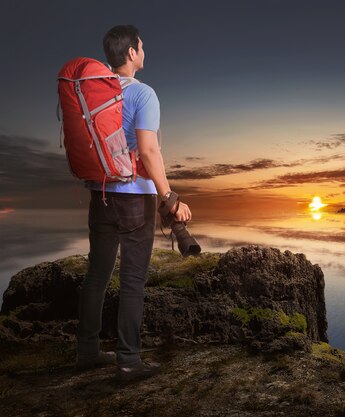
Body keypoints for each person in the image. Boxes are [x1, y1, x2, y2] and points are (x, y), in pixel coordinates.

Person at [75, 24, 192, 381]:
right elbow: (148, 150)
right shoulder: (144, 94)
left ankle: (88, 352)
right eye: (141, 45)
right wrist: (169, 197)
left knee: (96, 276)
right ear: (131, 53)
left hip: (101, 194)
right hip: (134, 199)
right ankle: (128, 361)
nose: (144, 50)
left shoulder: (94, 92)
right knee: (132, 281)